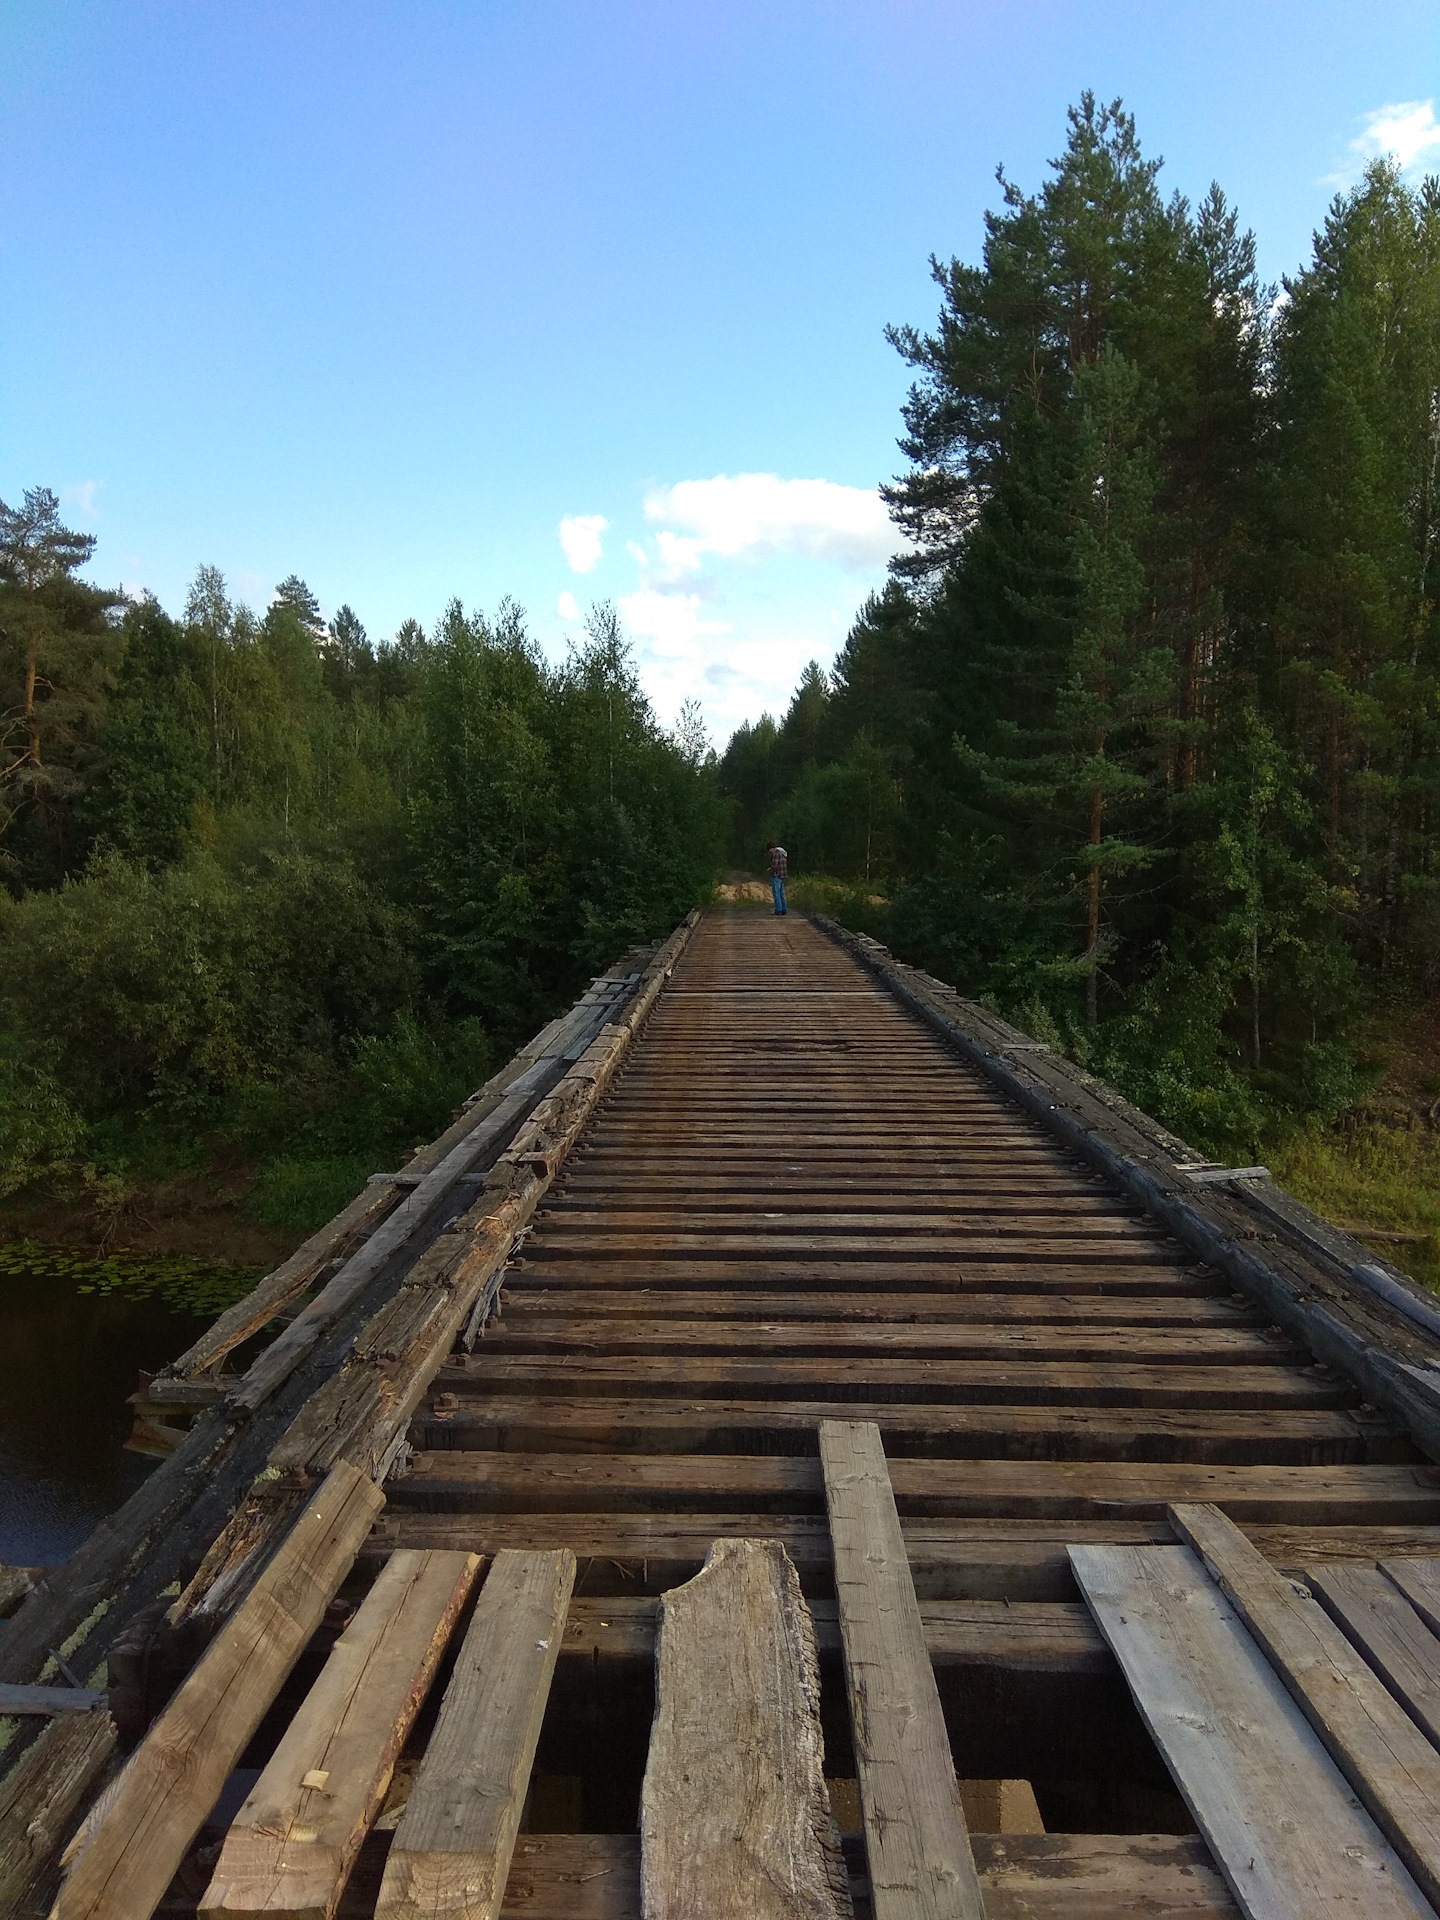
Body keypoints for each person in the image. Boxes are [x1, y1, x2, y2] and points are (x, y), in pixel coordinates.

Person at [766, 840, 788, 915]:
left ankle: (778, 910)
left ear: (772, 848)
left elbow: (775, 866)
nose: (770, 852)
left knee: (776, 893)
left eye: (770, 850)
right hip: (783, 875)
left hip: (777, 875)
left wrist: (770, 870)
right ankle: (784, 909)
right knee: (782, 893)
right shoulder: (782, 853)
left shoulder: (775, 853)